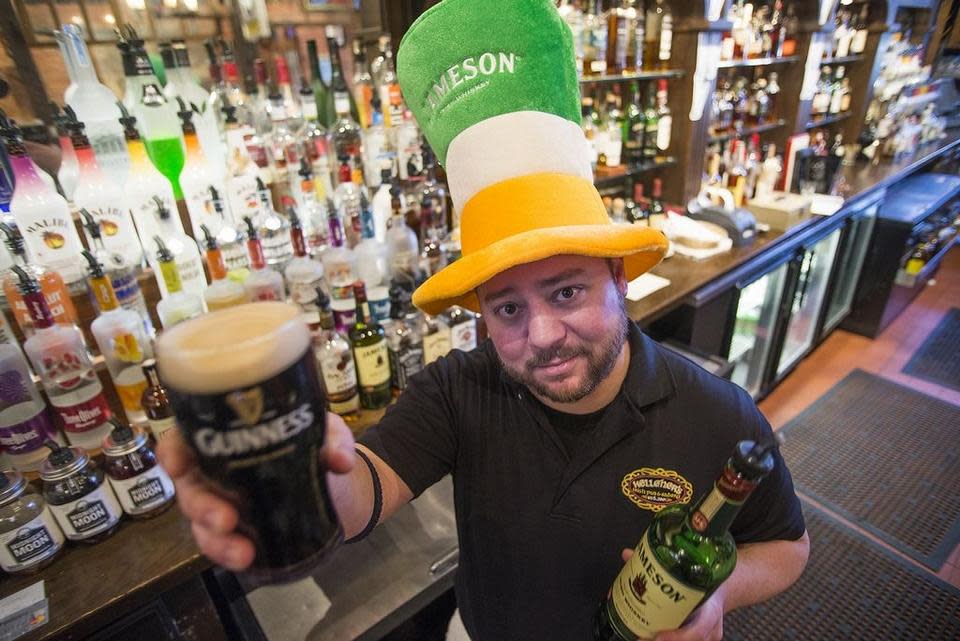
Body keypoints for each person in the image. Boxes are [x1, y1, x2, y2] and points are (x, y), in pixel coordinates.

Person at [159, 1, 809, 640]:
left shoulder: (718, 413)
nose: (543, 334)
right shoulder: (457, 390)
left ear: (617, 276)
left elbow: (787, 546)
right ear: (482, 315)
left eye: (565, 292)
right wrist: (304, 473)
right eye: (508, 307)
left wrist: (719, 591)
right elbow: (364, 494)